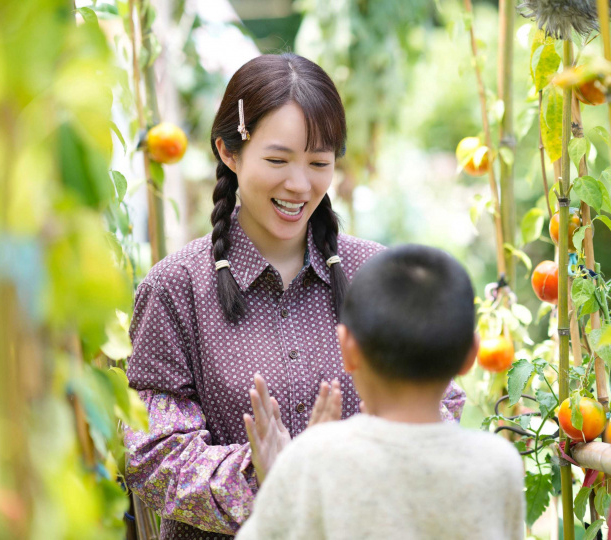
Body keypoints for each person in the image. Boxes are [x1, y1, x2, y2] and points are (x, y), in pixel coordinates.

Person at [123, 54, 466, 540]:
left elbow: (441, 401)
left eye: (319, 162)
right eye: (278, 160)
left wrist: (358, 453)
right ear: (229, 152)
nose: (300, 185)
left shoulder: (376, 274)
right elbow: (154, 452)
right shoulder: (175, 289)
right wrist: (267, 475)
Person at [236, 245, 525, 540]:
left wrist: (283, 477)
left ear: (347, 349)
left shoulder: (313, 459)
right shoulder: (499, 465)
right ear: (470, 355)